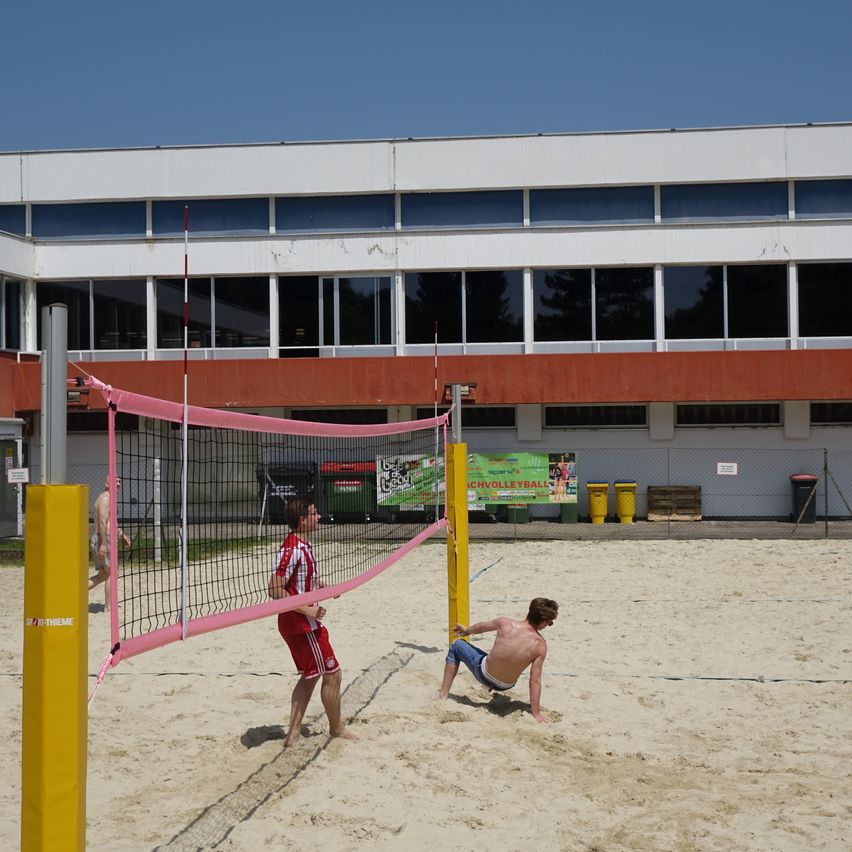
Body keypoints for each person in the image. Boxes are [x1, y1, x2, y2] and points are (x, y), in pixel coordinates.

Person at [268, 497, 356, 747]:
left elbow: (302, 582)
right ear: (303, 520)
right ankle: (336, 729)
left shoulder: (301, 546)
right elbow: (274, 589)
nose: (319, 517)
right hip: (302, 625)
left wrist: (325, 588)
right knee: (333, 674)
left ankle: (293, 734)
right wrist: (307, 609)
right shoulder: (292, 549)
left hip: (300, 623)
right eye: (314, 513)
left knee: (310, 675)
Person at [438, 597, 558, 723]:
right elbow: (535, 681)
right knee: (489, 658)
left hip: (484, 674)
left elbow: (479, 627)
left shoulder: (505, 623)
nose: (548, 626)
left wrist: (466, 630)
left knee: (456, 645)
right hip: (505, 685)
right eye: (550, 623)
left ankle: (443, 694)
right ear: (543, 622)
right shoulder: (541, 646)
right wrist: (536, 713)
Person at [89, 476, 131, 610]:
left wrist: (121, 534)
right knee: (113, 573)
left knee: (104, 575)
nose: (118, 484)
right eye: (115, 481)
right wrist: (104, 544)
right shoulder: (106, 498)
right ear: (107, 483)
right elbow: (102, 522)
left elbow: (110, 522)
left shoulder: (109, 498)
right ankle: (109, 607)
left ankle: (75, 594)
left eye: (119, 482)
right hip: (104, 538)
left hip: (104, 537)